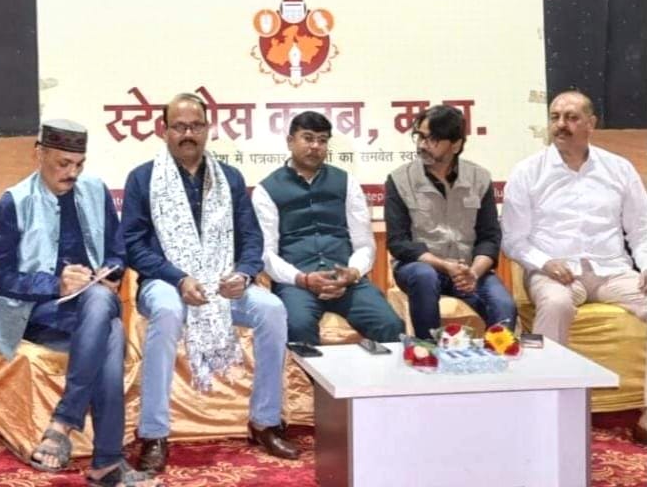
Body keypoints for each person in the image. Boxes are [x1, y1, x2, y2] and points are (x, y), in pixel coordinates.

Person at [122, 93, 298, 473]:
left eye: (196, 126)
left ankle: (265, 421)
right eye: (179, 126)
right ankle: (153, 434)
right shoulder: (143, 178)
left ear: (207, 129)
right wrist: (178, 277)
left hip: (222, 283)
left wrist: (243, 275)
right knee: (167, 311)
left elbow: (251, 238)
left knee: (272, 309)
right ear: (164, 130)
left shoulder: (229, 179)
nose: (188, 134)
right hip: (164, 281)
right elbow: (133, 246)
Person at [0, 119, 161, 486]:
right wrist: (55, 284)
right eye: (63, 163)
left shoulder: (94, 190)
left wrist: (110, 271)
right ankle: (105, 461)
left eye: (79, 164)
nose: (72, 173)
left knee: (100, 305)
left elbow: (117, 251)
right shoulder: (13, 203)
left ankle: (66, 426)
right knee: (111, 330)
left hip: (89, 307)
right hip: (34, 313)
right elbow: (0, 277)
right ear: (39, 154)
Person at [502, 90, 647, 445]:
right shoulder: (528, 171)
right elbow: (514, 239)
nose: (561, 125)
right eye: (555, 117)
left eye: (571, 117)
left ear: (591, 123)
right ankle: (541, 407)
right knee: (556, 304)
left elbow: (641, 229)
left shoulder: (618, 169)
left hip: (611, 269)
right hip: (555, 270)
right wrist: (544, 263)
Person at [252, 110, 404, 345]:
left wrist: (353, 272)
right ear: (290, 141)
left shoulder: (347, 182)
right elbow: (267, 253)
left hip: (347, 281)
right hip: (297, 283)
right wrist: (302, 279)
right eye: (308, 138)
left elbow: (364, 243)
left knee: (390, 324)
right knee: (297, 326)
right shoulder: (266, 190)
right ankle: (308, 373)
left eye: (322, 140)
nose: (315, 146)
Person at [385, 104, 516, 340]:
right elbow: (398, 242)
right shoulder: (400, 179)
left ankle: (496, 359)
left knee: (504, 306)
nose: (422, 145)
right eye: (419, 136)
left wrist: (473, 273)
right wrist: (444, 266)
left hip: (468, 268)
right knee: (424, 277)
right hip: (420, 266)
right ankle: (427, 350)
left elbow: (489, 237)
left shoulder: (479, 178)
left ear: (456, 145)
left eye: (432, 139)